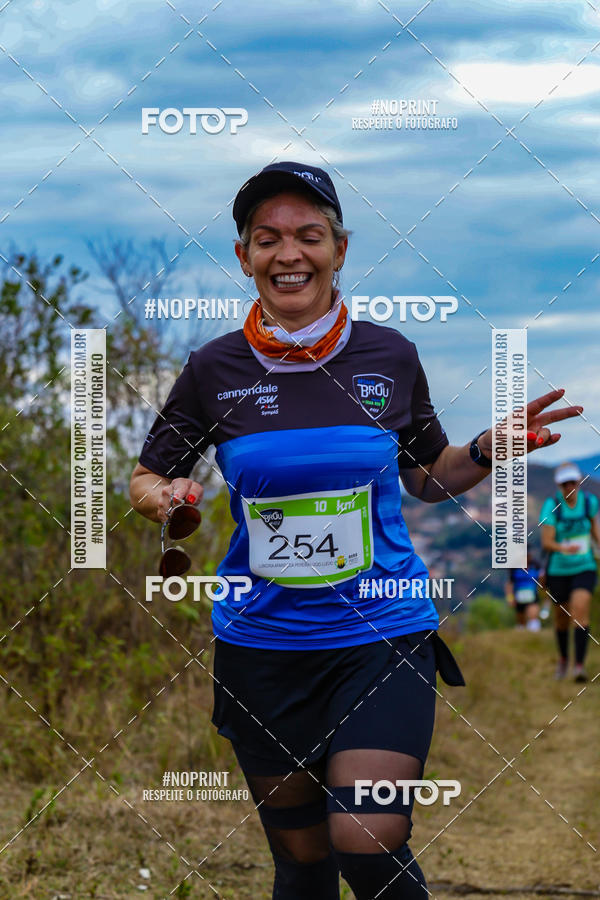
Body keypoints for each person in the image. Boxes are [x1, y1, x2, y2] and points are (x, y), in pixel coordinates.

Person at [130, 161, 583, 899]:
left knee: (366, 837)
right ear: (243, 257)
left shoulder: (389, 355)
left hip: (381, 634)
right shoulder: (213, 369)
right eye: (267, 238)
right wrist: (168, 498)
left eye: (309, 236)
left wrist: (488, 450)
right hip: (262, 646)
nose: (289, 254)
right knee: (302, 861)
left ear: (339, 250)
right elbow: (145, 477)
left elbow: (427, 477)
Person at [540, 462, 599, 682]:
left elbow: (594, 530)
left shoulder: (590, 503)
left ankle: (580, 666)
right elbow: (547, 542)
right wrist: (564, 548)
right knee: (562, 618)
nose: (569, 487)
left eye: (573, 482)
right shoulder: (551, 505)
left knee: (580, 609)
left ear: (579, 482)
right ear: (559, 485)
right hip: (558, 569)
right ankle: (564, 658)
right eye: (565, 484)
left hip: (584, 566)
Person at [505, 549, 542, 631]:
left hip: (533, 595)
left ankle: (534, 634)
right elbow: (509, 584)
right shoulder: (514, 568)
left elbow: (542, 581)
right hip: (518, 596)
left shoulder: (536, 566)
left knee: (533, 616)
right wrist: (510, 598)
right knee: (520, 622)